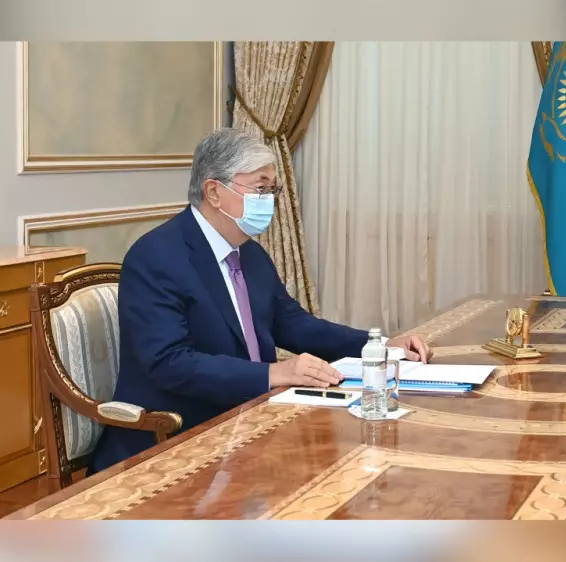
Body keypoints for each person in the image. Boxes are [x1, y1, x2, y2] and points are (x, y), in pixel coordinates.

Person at [91, 128, 432, 472]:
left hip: (252, 423)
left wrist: (378, 346)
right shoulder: (156, 257)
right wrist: (273, 373)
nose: (269, 200)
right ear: (214, 192)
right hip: (174, 439)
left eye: (272, 190)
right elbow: (170, 363)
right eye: (260, 188)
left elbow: (294, 325)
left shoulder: (250, 253)